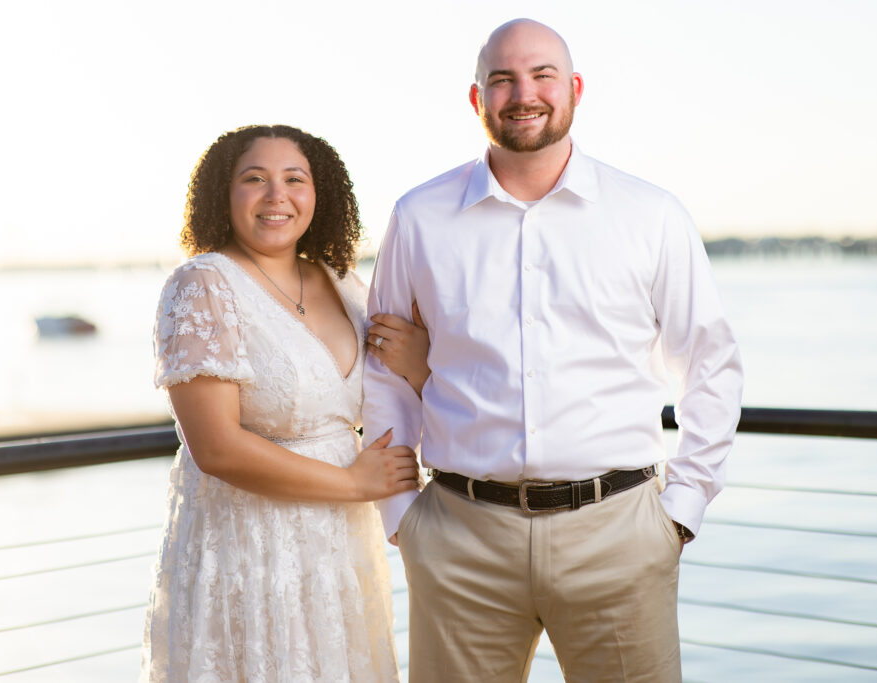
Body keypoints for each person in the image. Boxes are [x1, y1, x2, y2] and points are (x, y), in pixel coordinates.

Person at [363, 18, 744, 682]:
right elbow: (384, 374)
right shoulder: (419, 217)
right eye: (502, 79)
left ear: (574, 89)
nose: (523, 93)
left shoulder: (649, 215)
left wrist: (681, 511)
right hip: (459, 536)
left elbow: (710, 365)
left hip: (619, 535)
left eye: (541, 75)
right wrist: (403, 518)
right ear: (477, 100)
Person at [139, 124, 428, 682]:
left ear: (320, 196)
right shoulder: (202, 284)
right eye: (255, 179)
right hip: (249, 549)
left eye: (295, 179)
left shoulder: (342, 281)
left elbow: (387, 393)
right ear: (225, 194)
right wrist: (355, 483)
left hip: (340, 551)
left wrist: (419, 366)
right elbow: (216, 448)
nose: (277, 196)